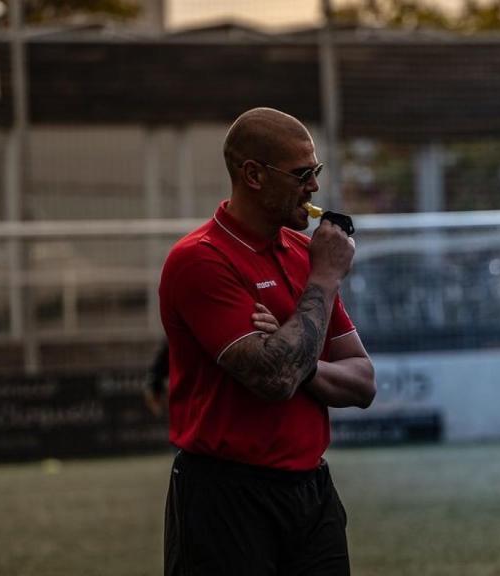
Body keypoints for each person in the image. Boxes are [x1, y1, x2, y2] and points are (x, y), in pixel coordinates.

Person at [158, 107, 376, 576]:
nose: (314, 187)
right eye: (302, 174)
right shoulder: (200, 260)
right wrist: (324, 280)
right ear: (253, 175)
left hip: (311, 493)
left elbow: (362, 382)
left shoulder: (304, 253)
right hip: (225, 497)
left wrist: (298, 356)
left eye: (315, 172)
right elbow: (273, 378)